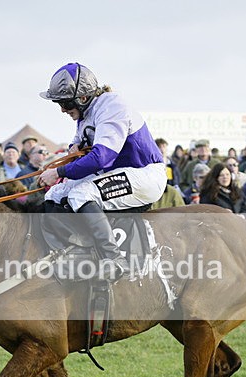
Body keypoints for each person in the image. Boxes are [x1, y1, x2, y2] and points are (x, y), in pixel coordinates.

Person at [37, 62, 166, 279]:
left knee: (81, 194)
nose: (62, 109)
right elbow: (78, 143)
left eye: (65, 103)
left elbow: (101, 157)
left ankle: (113, 258)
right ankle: (77, 249)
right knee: (55, 194)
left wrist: (58, 173)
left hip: (144, 175)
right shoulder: (86, 113)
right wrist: (72, 150)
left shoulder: (112, 106)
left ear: (83, 98)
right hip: (118, 174)